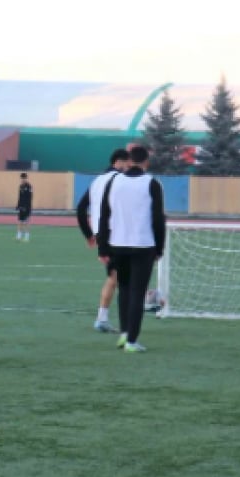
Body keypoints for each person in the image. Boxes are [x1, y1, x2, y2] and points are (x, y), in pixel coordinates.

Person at [96, 145, 165, 353]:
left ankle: (125, 333)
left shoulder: (114, 181)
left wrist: (103, 247)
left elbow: (104, 214)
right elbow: (158, 218)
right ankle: (132, 341)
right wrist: (159, 247)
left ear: (129, 161)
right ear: (146, 162)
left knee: (124, 289)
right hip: (143, 244)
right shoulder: (152, 183)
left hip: (118, 243)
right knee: (137, 292)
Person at [76, 149, 131, 333]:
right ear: (119, 162)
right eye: (127, 164)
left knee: (114, 277)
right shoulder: (119, 180)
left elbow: (81, 208)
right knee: (126, 275)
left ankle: (102, 318)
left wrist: (89, 234)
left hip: (102, 235)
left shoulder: (97, 181)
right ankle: (148, 301)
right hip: (117, 234)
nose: (128, 167)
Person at [15, 172, 33, 241]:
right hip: (21, 206)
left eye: (24, 178)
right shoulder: (20, 186)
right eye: (22, 178)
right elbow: (20, 197)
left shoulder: (29, 186)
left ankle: (27, 236)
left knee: (26, 221)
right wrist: (18, 205)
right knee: (19, 221)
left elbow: (30, 198)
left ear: (26, 178)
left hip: (27, 207)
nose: (23, 179)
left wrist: (26, 206)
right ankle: (19, 235)